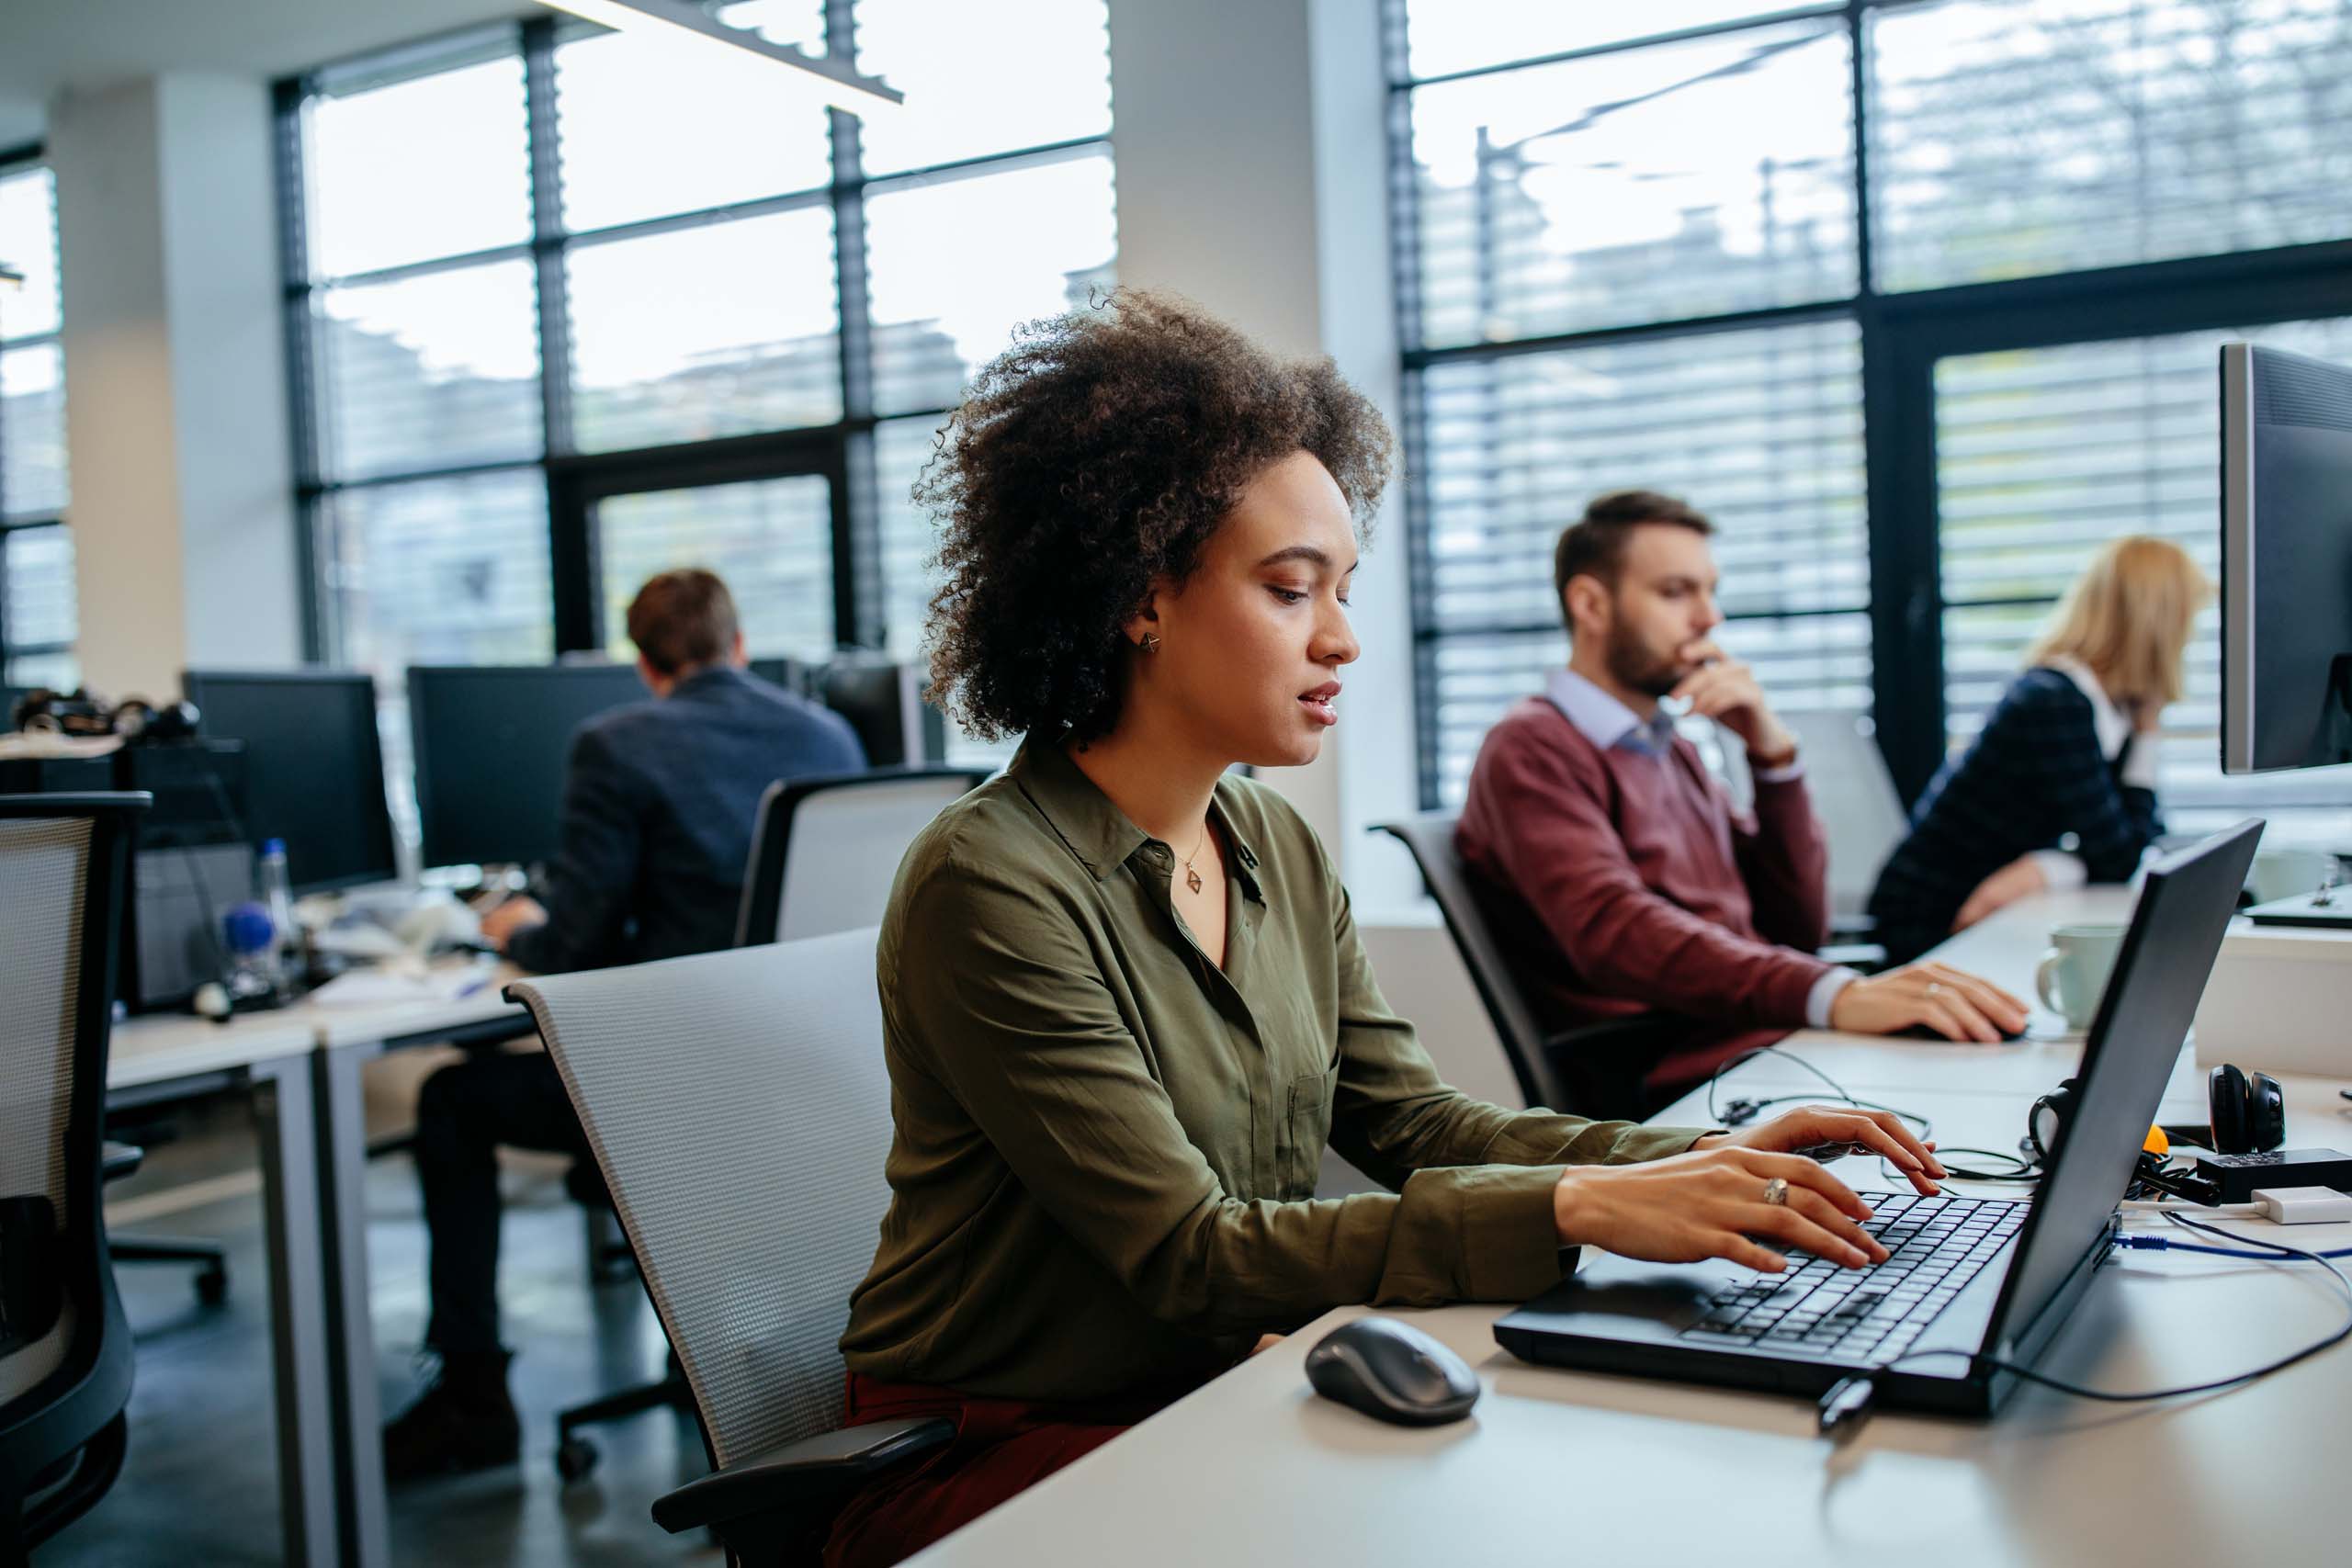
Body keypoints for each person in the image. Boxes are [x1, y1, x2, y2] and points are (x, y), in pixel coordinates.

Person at [822, 293, 1950, 1568]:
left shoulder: (1275, 844)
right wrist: (1588, 1203)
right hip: (987, 1453)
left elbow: (1418, 1124)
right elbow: (1193, 1252)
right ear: (1140, 595)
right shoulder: (992, 879)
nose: (1343, 637)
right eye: (1292, 588)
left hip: (1203, 1388)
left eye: (1343, 589)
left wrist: (1690, 1157)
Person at [381, 568, 865, 1482]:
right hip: (812, 1078)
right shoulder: (827, 733)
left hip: (675, 1093)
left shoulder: (616, 743)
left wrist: (521, 924)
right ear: (737, 645)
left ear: (643, 665)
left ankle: (473, 1398)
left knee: (452, 1098)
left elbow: (575, 942)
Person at [1454, 491, 2029, 1115]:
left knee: (1993, 1063)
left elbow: (1795, 927)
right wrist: (1830, 992)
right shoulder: (1531, 746)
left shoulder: (1671, 750)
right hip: (1684, 1075)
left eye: (1710, 590)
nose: (1709, 618)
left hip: (1756, 1043)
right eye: (1677, 592)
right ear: (1591, 604)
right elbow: (1617, 930)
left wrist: (1773, 757)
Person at [1868, 536, 2211, 964]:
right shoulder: (2054, 701)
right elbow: (2117, 856)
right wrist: (2049, 867)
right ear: (2158, 626)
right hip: (1934, 914)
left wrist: (2042, 869)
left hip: (1992, 905)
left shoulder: (2109, 709)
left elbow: (2140, 838)